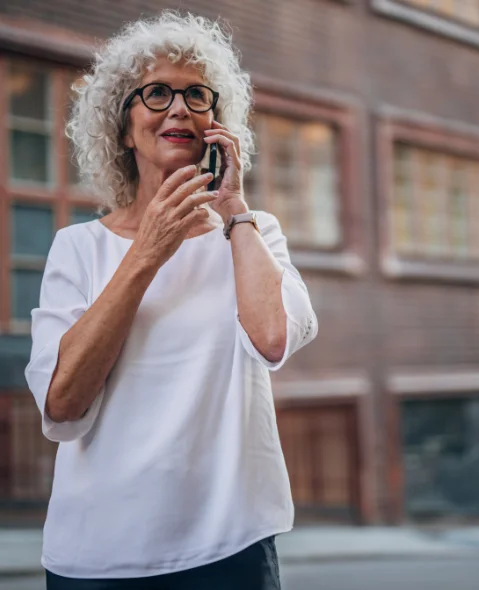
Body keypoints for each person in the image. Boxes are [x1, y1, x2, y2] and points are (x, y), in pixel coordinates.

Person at [25, 11, 318, 589]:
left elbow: (273, 338)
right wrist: (148, 252)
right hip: (99, 556)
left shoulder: (254, 233)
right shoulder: (76, 249)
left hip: (230, 545)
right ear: (123, 125)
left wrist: (235, 210)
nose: (180, 107)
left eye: (196, 95)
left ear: (216, 124)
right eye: (157, 93)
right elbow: (61, 404)